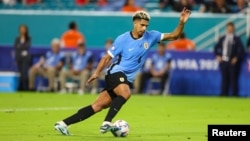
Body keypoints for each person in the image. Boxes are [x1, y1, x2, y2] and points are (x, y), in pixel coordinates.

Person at [54, 8, 191, 136]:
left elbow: (174, 36)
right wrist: (96, 72)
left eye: (146, 26)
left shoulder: (152, 36)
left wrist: (181, 23)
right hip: (115, 73)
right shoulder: (123, 39)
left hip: (125, 78)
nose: (144, 28)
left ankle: (63, 124)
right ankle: (107, 122)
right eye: (142, 25)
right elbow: (107, 57)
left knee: (97, 106)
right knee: (126, 93)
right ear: (135, 23)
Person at [214, 22, 245, 97]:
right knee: (224, 78)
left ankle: (234, 94)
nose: (229, 29)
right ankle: (223, 93)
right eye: (228, 28)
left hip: (232, 62)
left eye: (231, 28)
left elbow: (241, 50)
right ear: (226, 28)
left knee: (233, 79)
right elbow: (216, 48)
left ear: (233, 28)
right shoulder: (222, 38)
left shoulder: (237, 39)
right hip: (224, 61)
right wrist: (218, 55)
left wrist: (236, 57)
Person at [14, 24, 31, 91]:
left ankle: (26, 87)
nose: (22, 30)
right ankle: (20, 87)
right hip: (19, 58)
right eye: (21, 29)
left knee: (24, 73)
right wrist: (16, 58)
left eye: (24, 29)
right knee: (20, 72)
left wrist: (20, 47)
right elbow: (16, 47)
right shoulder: (17, 38)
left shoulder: (28, 38)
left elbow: (26, 47)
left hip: (26, 58)